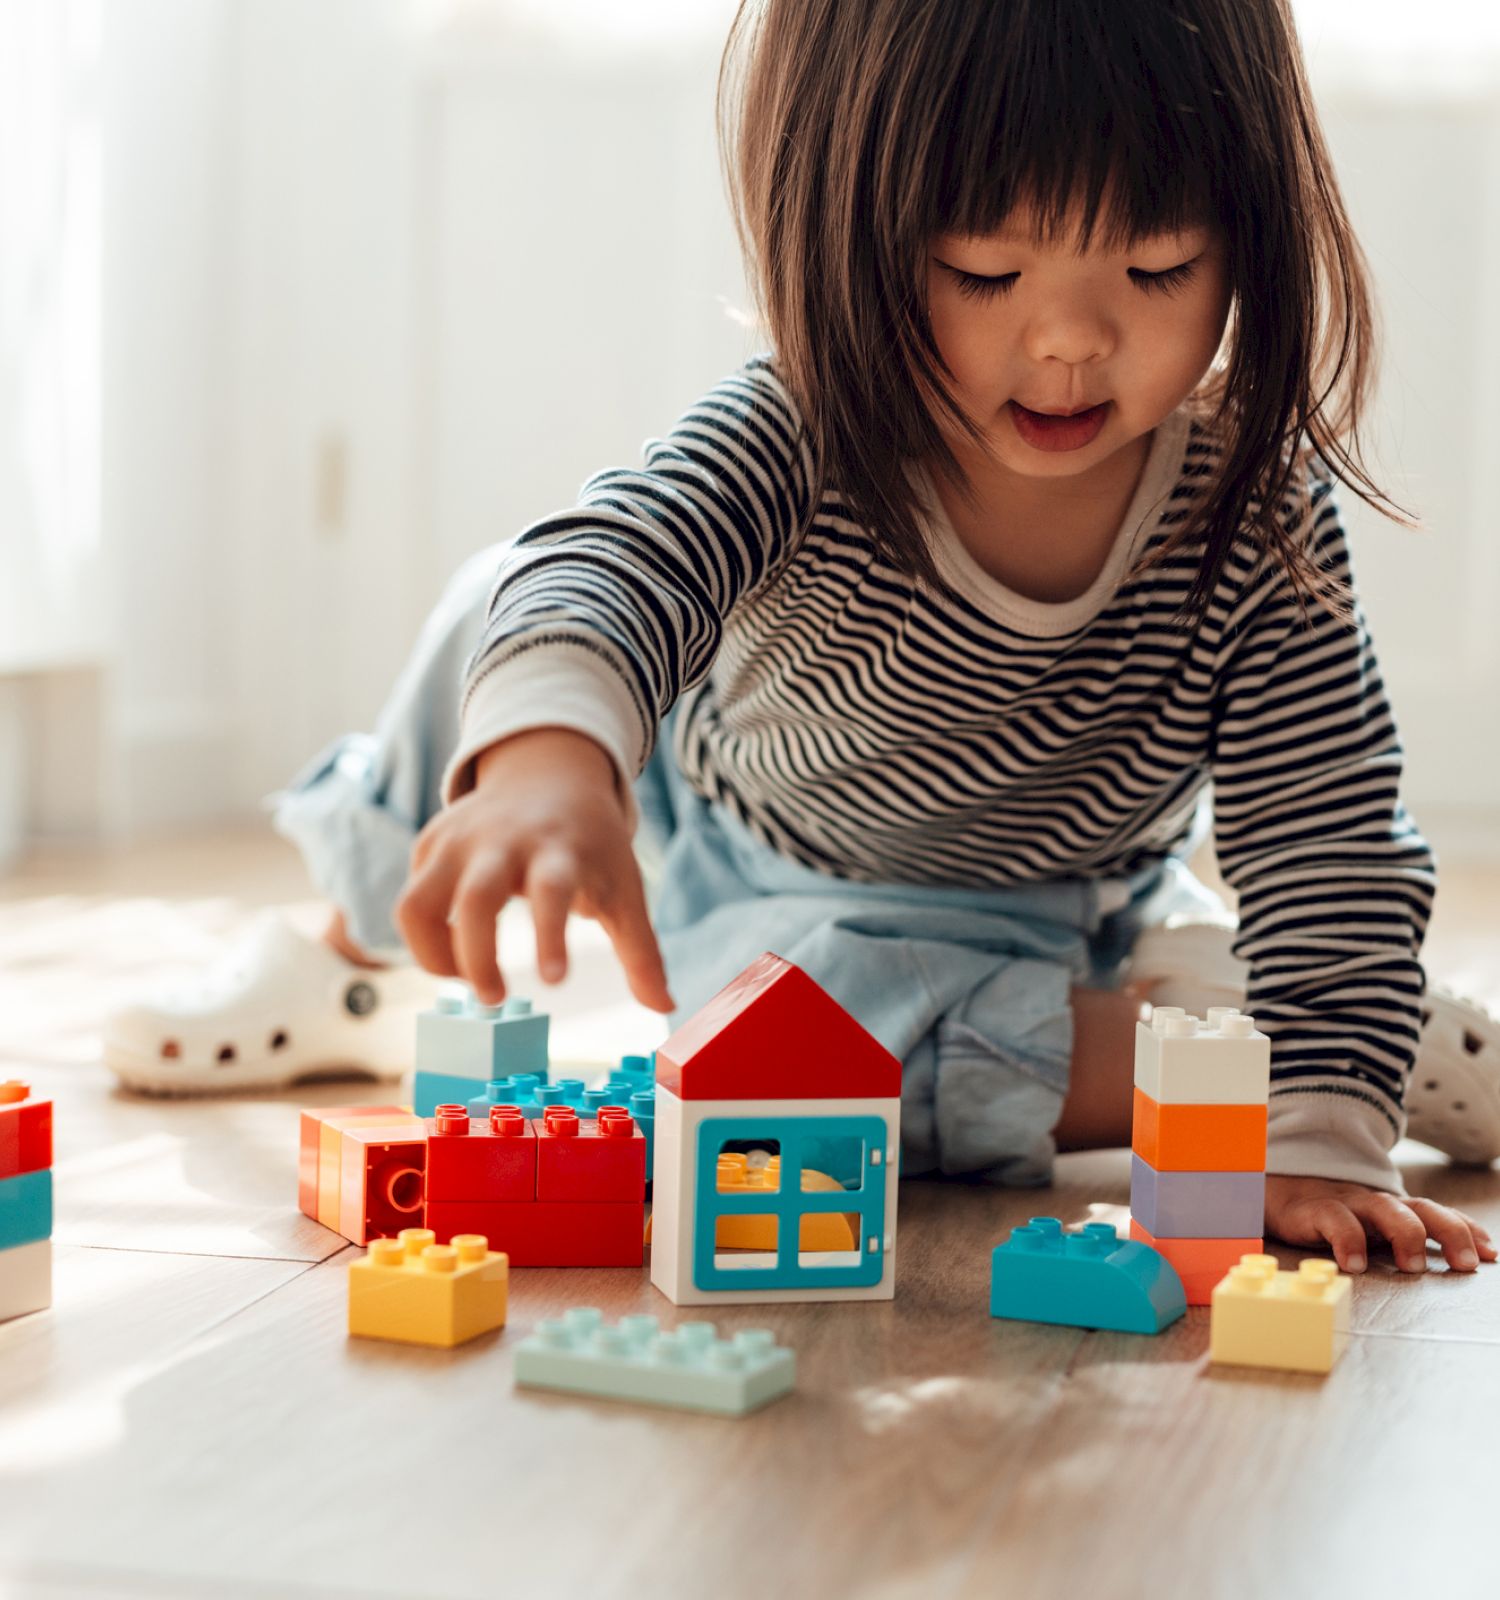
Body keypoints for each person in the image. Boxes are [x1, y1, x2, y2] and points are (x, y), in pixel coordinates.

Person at [106, 0, 1499, 1276]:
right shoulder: (805, 429)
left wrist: (1319, 1151)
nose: (1070, 340)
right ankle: (353, 947)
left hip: (1091, 903)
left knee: (1298, 963)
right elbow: (618, 559)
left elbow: (1327, 825)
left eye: (1155, 265)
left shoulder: (1255, 505)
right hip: (760, 861)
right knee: (515, 617)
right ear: (842, 225)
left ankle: (1310, 1057)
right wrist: (543, 766)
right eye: (984, 270)